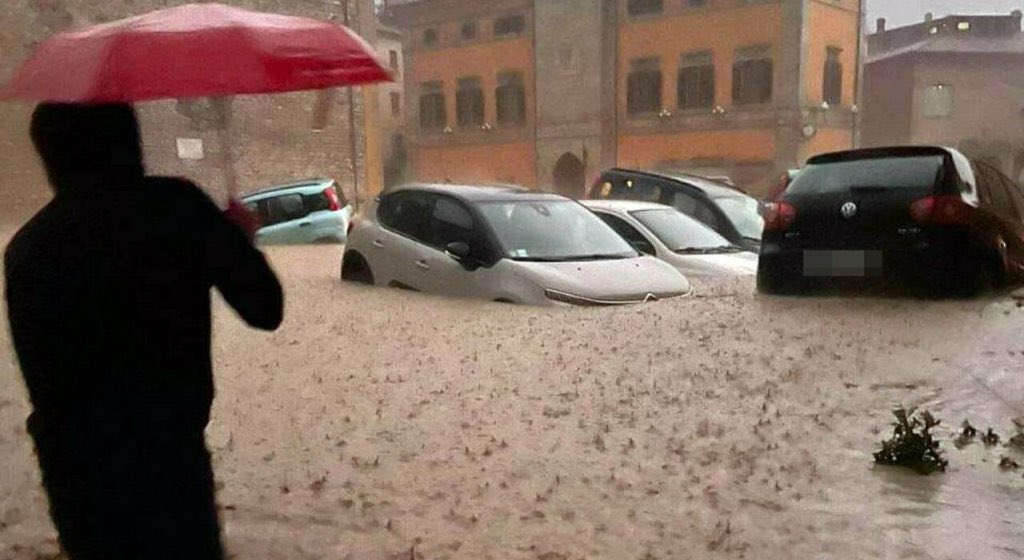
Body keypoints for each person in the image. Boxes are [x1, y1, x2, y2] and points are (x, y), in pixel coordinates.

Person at [5, 103, 284, 560]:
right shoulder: (178, 209)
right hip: (170, 467)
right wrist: (238, 243)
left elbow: (43, 383)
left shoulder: (28, 248)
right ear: (129, 141)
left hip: (75, 483)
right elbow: (265, 308)